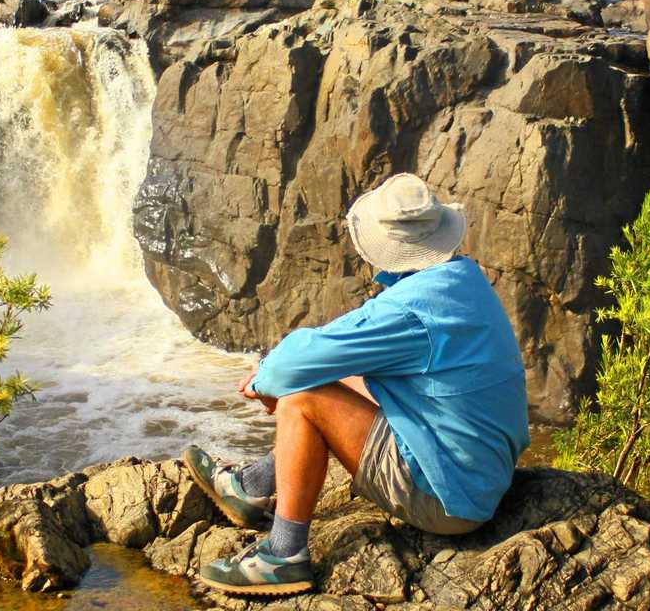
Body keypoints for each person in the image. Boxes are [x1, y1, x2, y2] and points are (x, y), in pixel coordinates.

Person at [183, 173, 530, 597]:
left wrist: (268, 380)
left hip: (448, 499)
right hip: (481, 476)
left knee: (301, 398)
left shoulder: (409, 309)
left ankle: (283, 555)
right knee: (333, 375)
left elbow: (293, 365)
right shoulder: (462, 280)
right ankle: (254, 486)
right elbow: (332, 358)